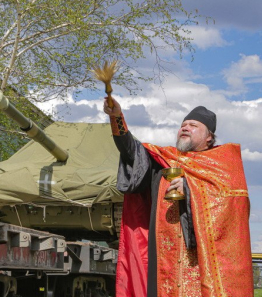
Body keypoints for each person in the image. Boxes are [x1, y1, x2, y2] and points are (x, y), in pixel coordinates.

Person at [103, 97, 253, 297]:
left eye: (193, 125)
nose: (185, 128)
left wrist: (190, 188)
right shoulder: (165, 158)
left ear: (209, 136)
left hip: (202, 261)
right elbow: (131, 151)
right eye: (183, 125)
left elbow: (234, 204)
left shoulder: (224, 164)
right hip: (164, 259)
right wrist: (117, 118)